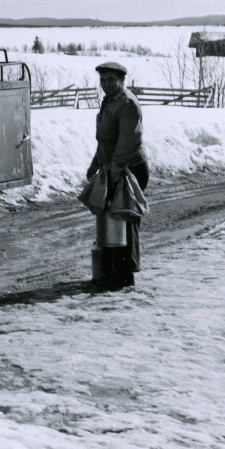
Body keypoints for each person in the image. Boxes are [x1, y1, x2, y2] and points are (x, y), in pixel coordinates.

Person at [85, 61, 149, 289]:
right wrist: (96, 164)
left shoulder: (128, 103)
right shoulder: (109, 102)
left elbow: (129, 142)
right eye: (103, 80)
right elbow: (105, 140)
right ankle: (110, 273)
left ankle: (124, 277)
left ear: (122, 81)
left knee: (124, 218)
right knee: (110, 220)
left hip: (129, 169)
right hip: (112, 168)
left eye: (111, 80)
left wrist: (114, 171)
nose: (106, 84)